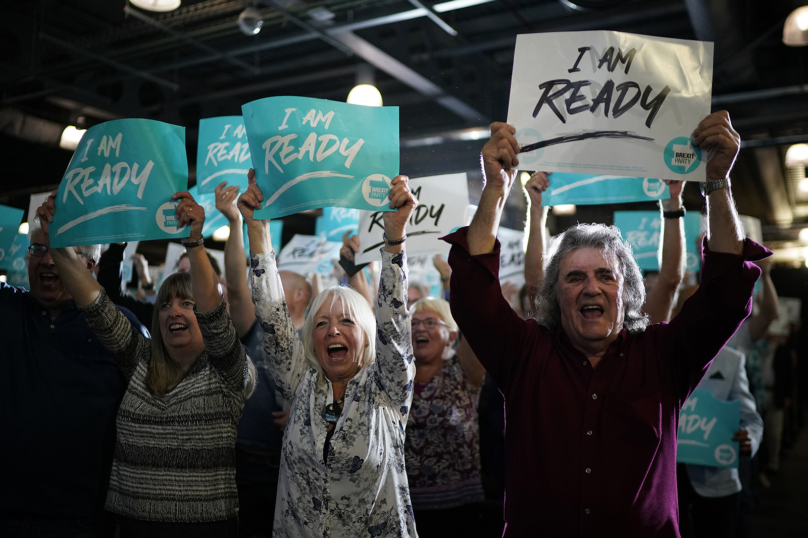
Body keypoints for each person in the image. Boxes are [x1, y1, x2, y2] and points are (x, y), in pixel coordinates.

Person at [443, 111, 770, 536]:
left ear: (628, 290)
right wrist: (496, 190)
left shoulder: (664, 356)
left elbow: (726, 292)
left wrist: (716, 182)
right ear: (553, 294)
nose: (591, 288)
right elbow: (472, 295)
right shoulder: (526, 354)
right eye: (574, 277)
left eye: (605, 275)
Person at [37, 189, 253, 537]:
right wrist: (58, 242)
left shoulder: (227, 370)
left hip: (204, 528)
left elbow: (213, 313)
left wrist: (194, 244)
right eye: (165, 305)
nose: (173, 312)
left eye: (186, 303)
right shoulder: (140, 358)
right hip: (130, 525)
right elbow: (96, 304)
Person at [240, 169, 419, 536]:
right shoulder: (299, 382)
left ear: (368, 338)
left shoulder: (387, 388)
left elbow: (393, 324)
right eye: (321, 323)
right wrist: (257, 230)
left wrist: (394, 241)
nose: (332, 329)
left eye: (346, 322)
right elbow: (272, 314)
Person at [0, 224, 146, 538]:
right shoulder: (7, 308)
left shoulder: (118, 329)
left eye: (63, 252)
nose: (49, 260)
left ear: (90, 267)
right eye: (39, 249)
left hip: (81, 521)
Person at [213, 181, 291, 538]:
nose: (269, 284)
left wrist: (310, 413)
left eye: (279, 279)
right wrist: (236, 225)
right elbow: (234, 285)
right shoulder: (253, 327)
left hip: (293, 471)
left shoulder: (321, 338)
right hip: (242, 465)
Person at [671, 288, 763, 538]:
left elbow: (753, 420)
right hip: (668, 485)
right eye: (689, 307)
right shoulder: (662, 357)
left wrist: (749, 439)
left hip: (717, 483)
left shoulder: (731, 362)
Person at [406, 297, 486, 537]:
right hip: (405, 507)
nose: (420, 328)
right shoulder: (398, 378)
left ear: (451, 336)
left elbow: (474, 323)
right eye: (414, 323)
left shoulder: (463, 370)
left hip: (461, 510)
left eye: (430, 322)